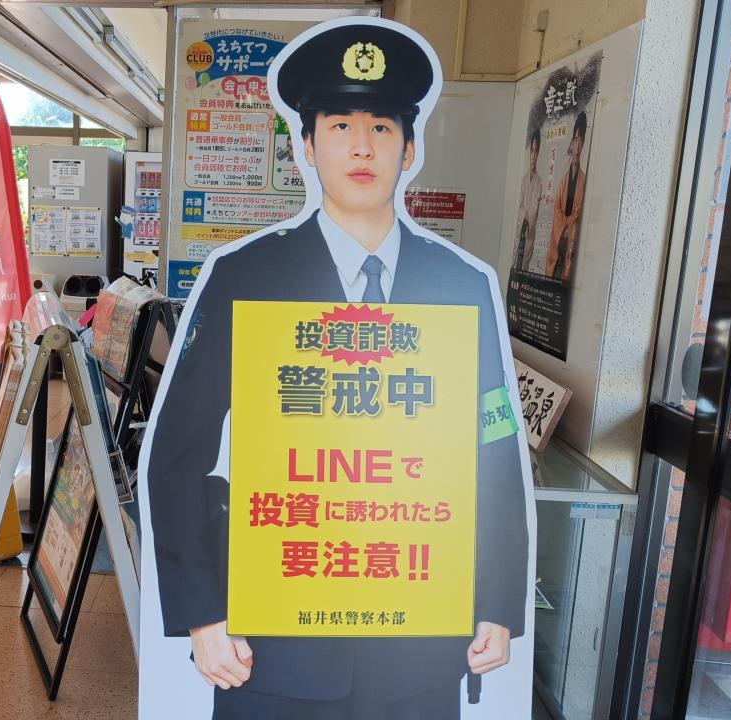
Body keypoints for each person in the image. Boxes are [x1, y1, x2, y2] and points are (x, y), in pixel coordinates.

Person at [147, 21, 530, 720]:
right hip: (274, 645)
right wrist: (202, 612)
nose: (362, 146)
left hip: (419, 643)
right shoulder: (245, 279)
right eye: (341, 125)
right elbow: (177, 455)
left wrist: (498, 601)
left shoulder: (460, 286)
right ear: (307, 146)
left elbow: (494, 449)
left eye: (382, 127)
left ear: (408, 149)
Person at [545, 112, 588, 281]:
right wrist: (566, 221)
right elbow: (557, 209)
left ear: (583, 143)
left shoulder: (584, 180)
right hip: (560, 239)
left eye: (580, 141)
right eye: (575, 140)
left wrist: (569, 221)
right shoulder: (563, 180)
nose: (577, 146)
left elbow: (579, 210)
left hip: (571, 240)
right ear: (572, 142)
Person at [514, 128, 543, 272]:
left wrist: (527, 214)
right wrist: (524, 214)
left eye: (536, 151)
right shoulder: (523, 180)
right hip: (520, 229)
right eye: (532, 150)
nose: (533, 156)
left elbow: (534, 209)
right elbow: (519, 206)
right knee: (515, 259)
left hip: (529, 232)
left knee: (525, 264)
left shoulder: (539, 182)